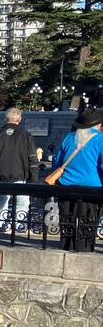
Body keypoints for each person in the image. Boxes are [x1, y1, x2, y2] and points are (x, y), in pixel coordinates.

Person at [49, 107, 103, 253]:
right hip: (92, 187)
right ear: (97, 125)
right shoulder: (100, 139)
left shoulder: (69, 137)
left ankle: (66, 244)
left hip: (66, 185)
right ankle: (85, 246)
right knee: (89, 219)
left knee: (67, 217)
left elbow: (57, 162)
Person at [0, 107, 35, 232]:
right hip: (20, 175)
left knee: (0, 205)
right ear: (20, 119)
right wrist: (33, 179)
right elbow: (32, 159)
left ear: (5, 119)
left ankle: (1, 226)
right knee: (22, 205)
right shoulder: (26, 135)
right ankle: (18, 227)